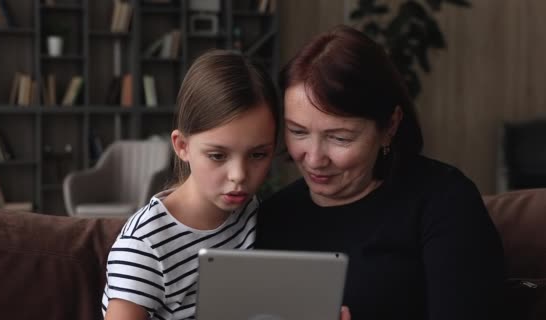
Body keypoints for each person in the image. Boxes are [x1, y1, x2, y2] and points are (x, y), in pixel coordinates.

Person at [255, 25, 505, 320]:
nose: (314, 158)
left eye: (340, 138)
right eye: (298, 132)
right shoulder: (273, 217)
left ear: (390, 126)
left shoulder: (445, 202)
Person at [101, 49, 280, 320]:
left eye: (258, 155)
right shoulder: (144, 244)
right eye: (218, 155)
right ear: (182, 146)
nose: (239, 175)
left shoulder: (249, 212)